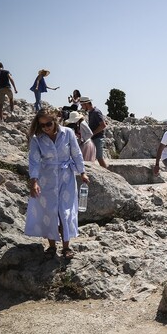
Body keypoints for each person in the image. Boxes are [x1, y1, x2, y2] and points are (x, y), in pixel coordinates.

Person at [25, 109, 89, 259]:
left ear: (55, 121)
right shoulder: (37, 139)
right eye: (42, 125)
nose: (46, 127)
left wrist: (82, 172)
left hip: (66, 177)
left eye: (48, 123)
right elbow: (34, 161)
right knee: (49, 211)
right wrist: (34, 181)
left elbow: (76, 153)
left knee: (65, 212)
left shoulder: (67, 133)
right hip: (46, 178)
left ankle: (66, 247)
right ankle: (52, 246)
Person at [79, 96, 108, 168]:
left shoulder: (96, 112)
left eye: (82, 105)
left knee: (99, 158)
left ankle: (109, 176)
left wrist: (92, 134)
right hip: (93, 138)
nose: (82, 107)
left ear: (86, 104)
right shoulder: (91, 112)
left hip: (98, 138)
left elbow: (103, 125)